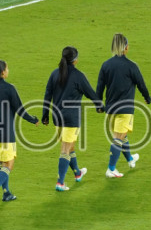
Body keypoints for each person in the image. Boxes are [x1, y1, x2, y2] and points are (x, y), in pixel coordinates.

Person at [0, 60, 39, 209]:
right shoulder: (9, 88)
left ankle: (6, 193)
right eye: (7, 68)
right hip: (5, 133)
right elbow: (20, 109)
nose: (8, 70)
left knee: (2, 162)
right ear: (3, 72)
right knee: (9, 164)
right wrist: (33, 119)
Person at [42, 47, 104, 192]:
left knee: (70, 147)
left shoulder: (54, 74)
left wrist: (45, 114)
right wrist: (100, 106)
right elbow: (90, 93)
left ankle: (77, 173)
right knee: (65, 150)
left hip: (57, 117)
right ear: (75, 60)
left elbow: (47, 94)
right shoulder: (78, 76)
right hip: (71, 119)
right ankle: (60, 183)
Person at [95, 34, 151, 178]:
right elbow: (141, 84)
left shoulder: (106, 65)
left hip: (110, 109)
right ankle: (111, 169)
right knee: (118, 138)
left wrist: (98, 104)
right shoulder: (131, 66)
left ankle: (130, 159)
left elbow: (100, 87)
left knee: (121, 135)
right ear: (125, 47)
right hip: (125, 109)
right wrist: (147, 97)